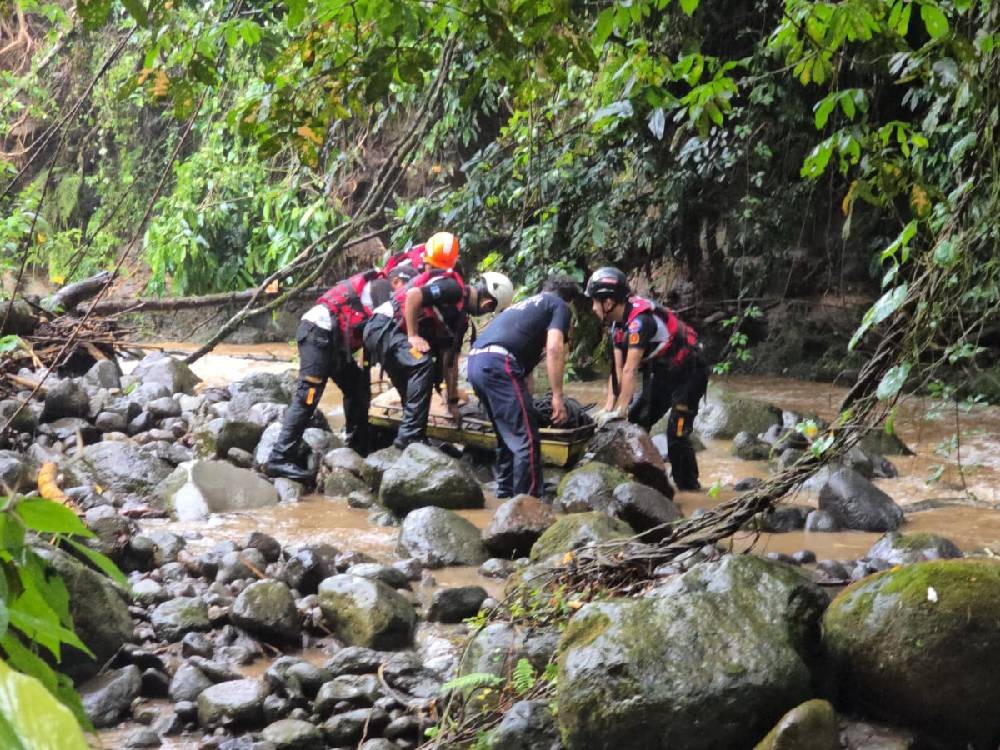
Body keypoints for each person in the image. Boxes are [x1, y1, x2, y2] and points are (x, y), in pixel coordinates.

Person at [264, 265, 417, 482]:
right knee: (308, 396)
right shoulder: (383, 289)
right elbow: (384, 334)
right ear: (396, 282)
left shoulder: (384, 292)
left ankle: (356, 447)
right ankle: (278, 458)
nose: (409, 292)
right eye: (407, 286)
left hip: (335, 342)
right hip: (317, 333)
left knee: (358, 388)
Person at [364, 232, 515, 450]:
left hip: (390, 334)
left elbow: (449, 361)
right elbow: (414, 295)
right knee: (422, 363)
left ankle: (414, 436)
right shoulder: (452, 288)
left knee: (422, 381)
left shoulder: (459, 318)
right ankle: (409, 440)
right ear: (488, 304)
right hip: (383, 327)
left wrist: (452, 402)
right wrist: (413, 336)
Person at [585, 266, 709, 490]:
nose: (593, 308)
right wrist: (608, 409)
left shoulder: (640, 323)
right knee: (637, 419)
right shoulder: (617, 327)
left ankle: (690, 489)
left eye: (595, 301)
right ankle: (642, 478)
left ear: (609, 301)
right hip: (663, 372)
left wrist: (621, 409)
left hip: (690, 372)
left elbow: (630, 371)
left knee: (677, 434)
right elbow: (616, 370)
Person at [466, 276, 579, 499]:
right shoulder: (558, 306)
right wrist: (557, 397)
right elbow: (555, 348)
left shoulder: (523, 306)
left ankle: (506, 495)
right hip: (499, 364)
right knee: (527, 439)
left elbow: (524, 374)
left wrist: (527, 404)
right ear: (569, 301)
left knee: (507, 436)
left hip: (476, 363)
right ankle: (528, 504)